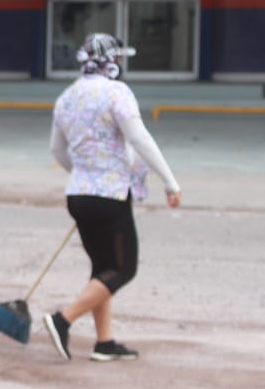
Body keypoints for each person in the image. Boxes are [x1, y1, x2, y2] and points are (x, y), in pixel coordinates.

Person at [42, 33, 181, 363]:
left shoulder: (67, 96)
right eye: (118, 58)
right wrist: (170, 181)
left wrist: (84, 177)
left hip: (78, 194)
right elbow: (139, 138)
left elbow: (56, 150)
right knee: (123, 268)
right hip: (110, 195)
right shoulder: (117, 93)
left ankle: (104, 343)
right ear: (111, 60)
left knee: (102, 268)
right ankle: (63, 320)